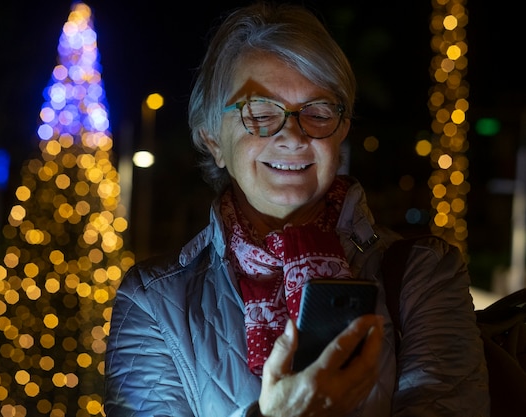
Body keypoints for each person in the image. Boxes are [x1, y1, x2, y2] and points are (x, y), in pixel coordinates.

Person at [104, 2, 490, 416]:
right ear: (213, 139)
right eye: (259, 112)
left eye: (317, 111)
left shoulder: (423, 276)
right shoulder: (153, 301)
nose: (292, 135)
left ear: (340, 130)